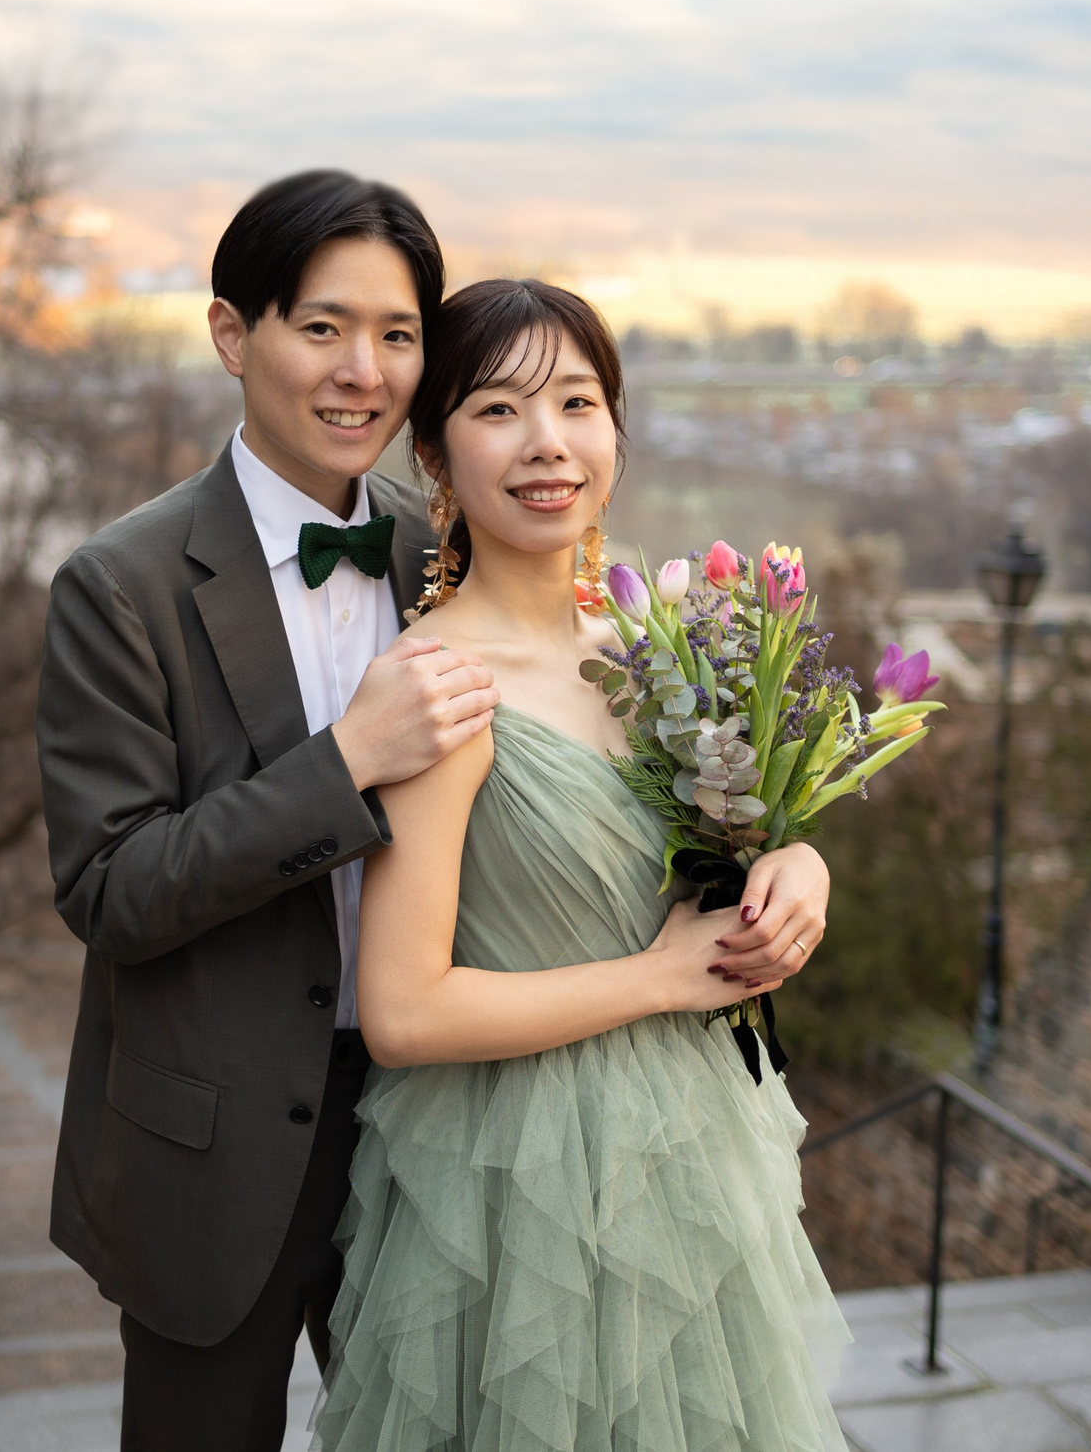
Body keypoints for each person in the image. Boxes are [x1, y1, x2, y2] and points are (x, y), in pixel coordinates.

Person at [36, 178, 827, 1449]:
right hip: (227, 1134)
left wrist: (791, 849)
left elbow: (640, 794)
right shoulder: (120, 585)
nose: (362, 370)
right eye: (321, 329)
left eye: (397, 336)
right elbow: (110, 891)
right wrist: (342, 762)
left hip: (470, 1143)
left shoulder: (454, 542)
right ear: (235, 336)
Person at [314, 278, 850, 1451]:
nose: (547, 443)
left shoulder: (662, 647)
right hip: (520, 1176)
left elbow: (727, 852)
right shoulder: (439, 684)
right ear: (435, 456)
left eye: (576, 402)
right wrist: (658, 979)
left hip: (695, 1142)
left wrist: (798, 863)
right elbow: (401, 1010)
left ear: (615, 430)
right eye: (499, 410)